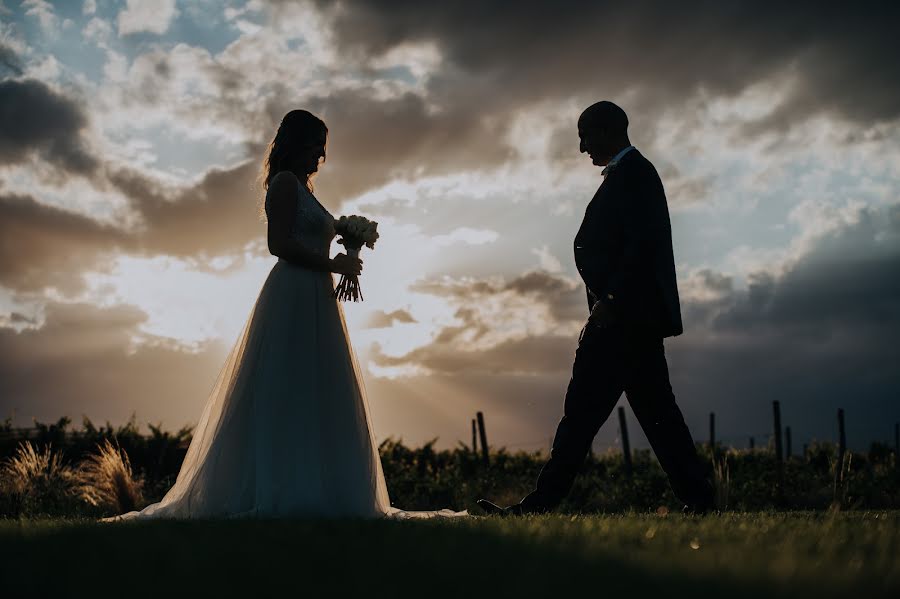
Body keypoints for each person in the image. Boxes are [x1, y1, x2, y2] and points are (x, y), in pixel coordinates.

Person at [106, 110, 462, 520]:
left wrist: (348, 244)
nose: (320, 159)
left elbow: (312, 234)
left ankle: (324, 489)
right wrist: (334, 266)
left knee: (318, 389)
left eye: (324, 152)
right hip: (293, 293)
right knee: (287, 387)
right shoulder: (284, 184)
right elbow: (278, 245)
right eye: (316, 148)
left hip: (317, 298)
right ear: (297, 143)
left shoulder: (306, 190)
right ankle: (279, 488)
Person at [478, 101, 715, 516]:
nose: (582, 147)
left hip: (623, 321)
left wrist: (612, 301)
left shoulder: (636, 174)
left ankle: (538, 506)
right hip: (626, 321)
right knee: (649, 416)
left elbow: (641, 245)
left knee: (586, 417)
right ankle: (699, 499)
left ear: (608, 131)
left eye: (586, 136)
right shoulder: (628, 175)